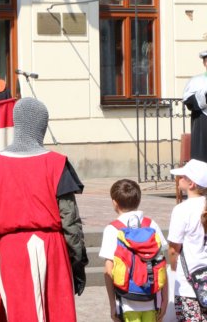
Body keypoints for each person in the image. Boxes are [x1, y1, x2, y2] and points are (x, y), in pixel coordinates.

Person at [0, 97, 87, 321]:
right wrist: (77, 261)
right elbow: (70, 221)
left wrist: (9, 229)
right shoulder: (56, 163)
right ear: (41, 126)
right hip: (52, 249)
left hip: (12, 250)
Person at [99, 179, 168, 322]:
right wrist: (165, 300)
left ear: (114, 203)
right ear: (139, 200)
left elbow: (108, 271)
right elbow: (161, 263)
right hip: (152, 299)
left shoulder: (112, 229)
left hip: (126, 301)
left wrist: (113, 305)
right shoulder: (151, 224)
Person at [167, 159, 207, 321]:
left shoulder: (182, 210)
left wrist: (173, 270)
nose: (179, 179)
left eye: (183, 176)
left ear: (191, 184)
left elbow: (173, 249)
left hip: (188, 285)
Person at [182, 51, 207, 162]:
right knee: (201, 156)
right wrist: (203, 96)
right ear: (204, 63)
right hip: (202, 120)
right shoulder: (196, 81)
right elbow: (188, 101)